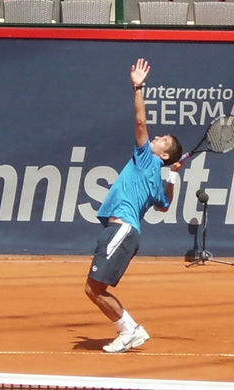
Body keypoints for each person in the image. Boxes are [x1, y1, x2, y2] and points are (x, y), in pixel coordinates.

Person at [84, 58, 184, 353]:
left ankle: (129, 330)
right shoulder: (158, 176)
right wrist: (173, 177)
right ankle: (129, 329)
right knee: (95, 288)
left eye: (161, 140)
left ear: (163, 154)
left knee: (93, 288)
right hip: (126, 231)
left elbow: (140, 121)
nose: (155, 137)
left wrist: (138, 86)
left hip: (122, 228)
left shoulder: (146, 159)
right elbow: (164, 206)